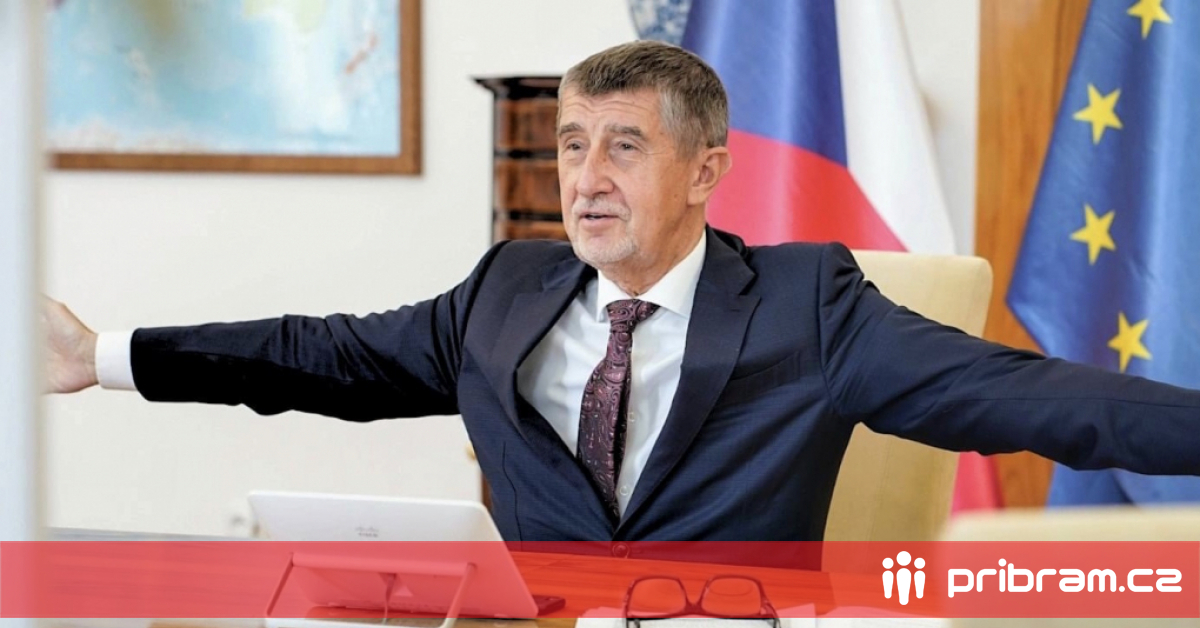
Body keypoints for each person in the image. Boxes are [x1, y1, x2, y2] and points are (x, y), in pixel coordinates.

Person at [45, 41, 1200, 542]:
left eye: (625, 148)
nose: (585, 179)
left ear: (705, 171)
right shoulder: (506, 288)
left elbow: (1027, 395)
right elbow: (323, 354)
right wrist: (99, 356)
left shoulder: (809, 304)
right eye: (571, 145)